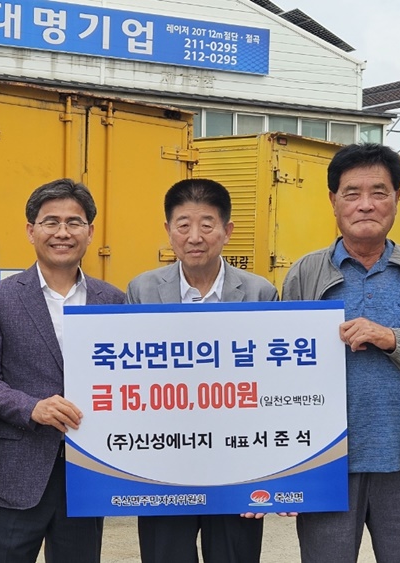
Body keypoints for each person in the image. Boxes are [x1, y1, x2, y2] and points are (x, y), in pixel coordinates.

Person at [281, 143, 400, 563]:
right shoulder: (305, 273)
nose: (366, 204)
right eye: (352, 193)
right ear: (333, 201)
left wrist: (393, 339)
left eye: (378, 192)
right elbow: (282, 373)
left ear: (397, 199)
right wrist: (288, 466)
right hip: (326, 466)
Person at [0, 178, 125, 562]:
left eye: (74, 222)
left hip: (89, 470)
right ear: (31, 230)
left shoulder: (113, 300)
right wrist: (32, 407)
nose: (62, 233)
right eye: (51, 222)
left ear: (90, 232)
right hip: (17, 472)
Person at [126, 178, 278, 563]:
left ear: (227, 231)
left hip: (238, 464)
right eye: (183, 225)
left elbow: (274, 385)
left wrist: (274, 475)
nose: (195, 237)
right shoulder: (142, 291)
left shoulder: (260, 293)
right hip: (164, 464)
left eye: (207, 225)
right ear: (168, 230)